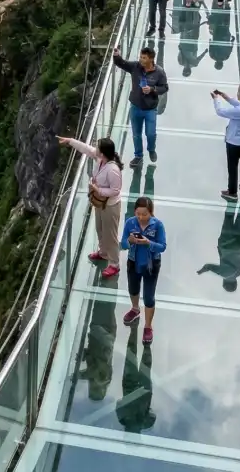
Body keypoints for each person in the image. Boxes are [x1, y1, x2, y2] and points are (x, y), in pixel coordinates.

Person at [57, 135, 123, 278]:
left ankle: (114, 264)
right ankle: (103, 252)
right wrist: (70, 141)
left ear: (103, 152)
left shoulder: (112, 170)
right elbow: (86, 149)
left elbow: (115, 190)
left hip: (110, 206)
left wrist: (97, 189)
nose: (95, 148)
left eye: (98, 146)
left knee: (110, 234)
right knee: (100, 228)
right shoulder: (100, 159)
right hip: (100, 203)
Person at [113, 45, 168, 167]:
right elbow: (122, 63)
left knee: (150, 133)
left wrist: (152, 89)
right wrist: (117, 56)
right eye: (140, 57)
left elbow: (164, 88)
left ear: (151, 59)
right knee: (136, 134)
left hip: (150, 109)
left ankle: (151, 149)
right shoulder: (135, 67)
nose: (141, 60)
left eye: (144, 58)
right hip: (136, 107)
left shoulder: (159, 72)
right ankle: (138, 156)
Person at [120, 196, 166, 344]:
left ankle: (148, 326)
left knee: (148, 296)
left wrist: (148, 243)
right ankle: (135, 309)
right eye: (138, 213)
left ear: (151, 212)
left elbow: (162, 246)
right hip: (133, 261)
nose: (140, 217)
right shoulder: (130, 222)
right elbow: (123, 244)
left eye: (144, 214)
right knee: (133, 288)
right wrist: (129, 241)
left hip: (151, 263)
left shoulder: (158, 225)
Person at [213, 85, 240, 202]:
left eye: (238, 93)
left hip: (234, 143)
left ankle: (232, 192)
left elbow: (220, 111)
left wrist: (216, 99)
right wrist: (225, 96)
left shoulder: (239, 111)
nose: (237, 94)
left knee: (232, 167)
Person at [197, 206, 240, 294]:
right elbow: (208, 267)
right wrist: (200, 271)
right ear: (225, 282)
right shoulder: (225, 275)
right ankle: (231, 200)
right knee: (229, 216)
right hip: (226, 243)